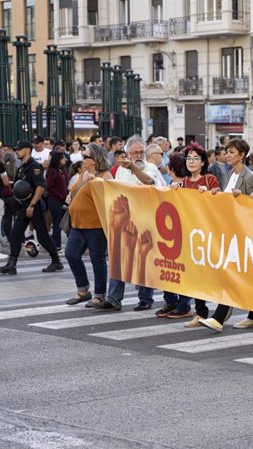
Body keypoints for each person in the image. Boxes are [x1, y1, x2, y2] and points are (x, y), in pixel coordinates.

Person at [196, 139, 253, 331]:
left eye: (232, 152)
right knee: (242, 275)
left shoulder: (249, 177)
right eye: (227, 152)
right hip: (228, 230)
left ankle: (219, 317)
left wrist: (242, 198)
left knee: (232, 274)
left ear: (242, 155)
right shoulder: (228, 174)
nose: (227, 155)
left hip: (243, 233)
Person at [97, 136, 162, 312]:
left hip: (146, 220)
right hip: (124, 220)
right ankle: (114, 298)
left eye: (141, 152)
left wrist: (133, 167)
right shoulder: (120, 170)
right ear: (127, 154)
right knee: (118, 259)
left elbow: (149, 182)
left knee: (144, 259)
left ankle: (145, 299)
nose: (139, 155)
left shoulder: (151, 167)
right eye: (134, 153)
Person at [156, 144, 218, 321]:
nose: (191, 162)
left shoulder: (209, 180)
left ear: (203, 162)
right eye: (189, 158)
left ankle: (205, 311)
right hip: (186, 234)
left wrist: (210, 194)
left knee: (202, 273)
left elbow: (220, 202)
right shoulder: (182, 183)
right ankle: (199, 312)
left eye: (196, 158)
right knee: (191, 274)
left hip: (204, 233)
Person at [0, 141, 64, 275]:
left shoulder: (34, 166)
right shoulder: (21, 168)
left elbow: (40, 186)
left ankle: (56, 261)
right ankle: (11, 265)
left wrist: (32, 205)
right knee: (15, 234)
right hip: (23, 206)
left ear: (27, 150)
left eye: (19, 149)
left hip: (34, 206)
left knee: (43, 236)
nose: (17, 151)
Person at [64, 143, 114, 307]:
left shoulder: (106, 176)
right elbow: (71, 194)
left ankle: (100, 295)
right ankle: (83, 290)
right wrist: (82, 181)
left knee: (97, 259)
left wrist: (97, 181)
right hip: (78, 224)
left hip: (96, 225)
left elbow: (111, 198)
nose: (83, 159)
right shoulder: (84, 173)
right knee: (71, 254)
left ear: (95, 160)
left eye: (86, 157)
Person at [45, 151, 69, 253]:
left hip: (64, 200)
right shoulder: (52, 171)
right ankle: (57, 246)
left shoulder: (63, 170)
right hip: (55, 200)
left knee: (65, 222)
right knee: (57, 224)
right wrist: (60, 196)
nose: (65, 159)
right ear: (58, 159)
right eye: (63, 158)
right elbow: (50, 187)